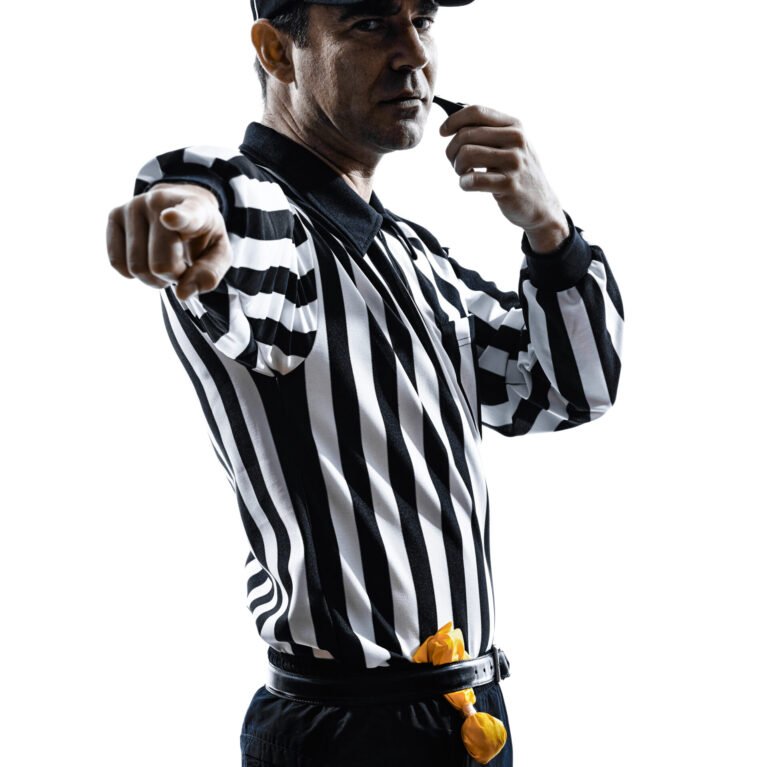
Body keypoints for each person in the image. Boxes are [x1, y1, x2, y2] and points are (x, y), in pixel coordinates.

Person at [106, 0, 624, 764]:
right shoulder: (269, 222)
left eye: (423, 18)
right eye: (371, 23)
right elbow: (231, 215)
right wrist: (188, 215)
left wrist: (547, 230)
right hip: (352, 729)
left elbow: (568, 388)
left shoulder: (410, 254)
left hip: (467, 711)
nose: (414, 52)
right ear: (277, 52)